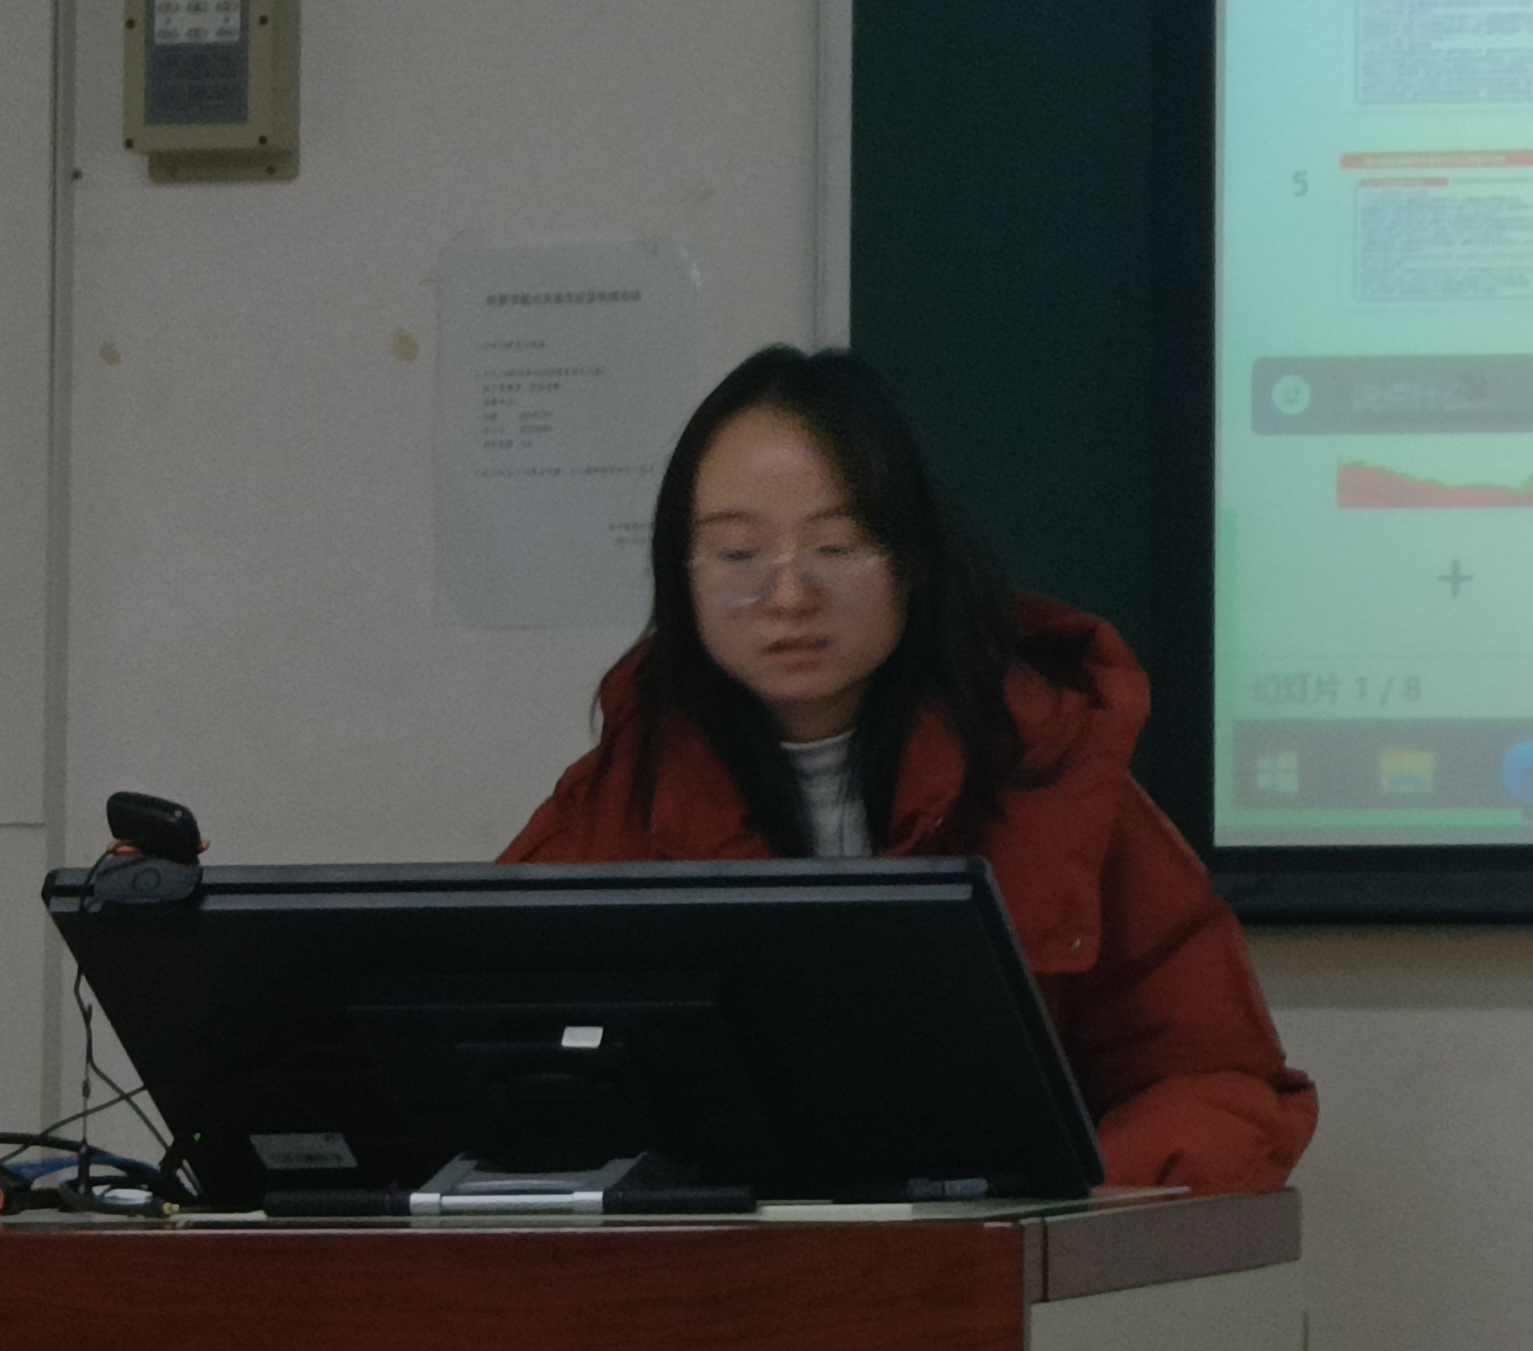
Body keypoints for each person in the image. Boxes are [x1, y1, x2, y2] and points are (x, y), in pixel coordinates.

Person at [503, 344, 1312, 1193]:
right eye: (738, 556)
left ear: (912, 559)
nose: (789, 597)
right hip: (713, 1268)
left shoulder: (1055, 779)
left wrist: (1057, 1211)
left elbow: (1217, 1079)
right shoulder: (614, 808)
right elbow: (481, 1081)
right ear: (682, 578)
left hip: (993, 1259)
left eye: (836, 547)